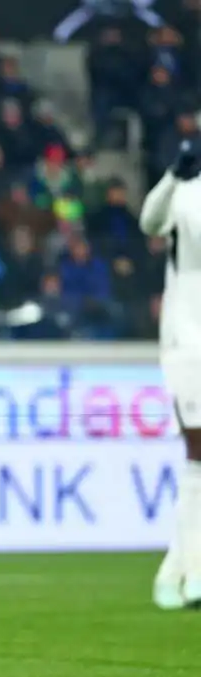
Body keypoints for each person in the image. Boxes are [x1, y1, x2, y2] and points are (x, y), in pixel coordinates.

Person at [139, 138, 201, 610]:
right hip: (187, 339)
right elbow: (149, 221)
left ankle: (174, 572)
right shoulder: (185, 190)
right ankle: (194, 574)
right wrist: (173, 175)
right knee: (198, 450)